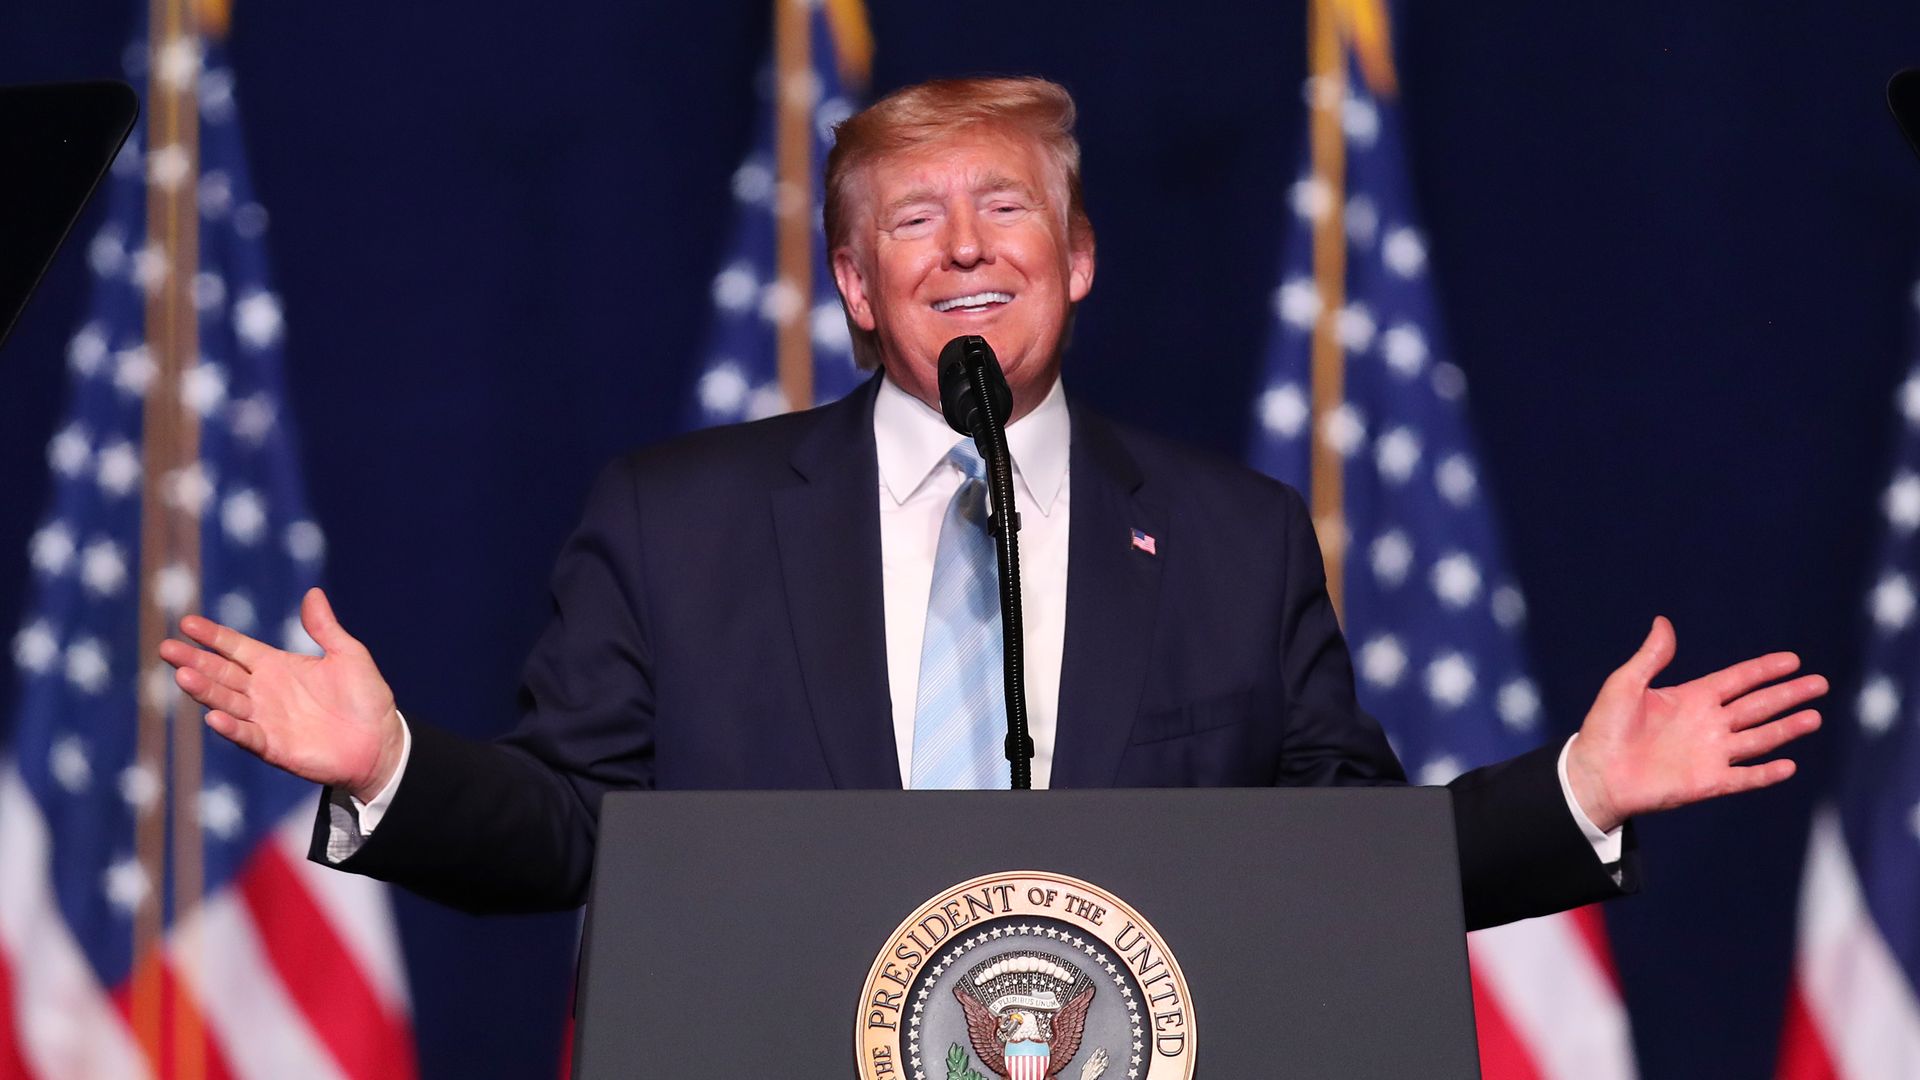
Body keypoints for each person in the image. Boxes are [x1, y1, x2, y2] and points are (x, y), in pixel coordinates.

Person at [158, 77, 1824, 929]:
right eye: (912, 222)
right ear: (855, 290)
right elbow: (572, 839)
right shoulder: (679, 520)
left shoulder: (1232, 536)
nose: (964, 247)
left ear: (1077, 259)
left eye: (1005, 208)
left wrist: (1573, 793)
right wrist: (392, 768)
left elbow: (1336, 868)